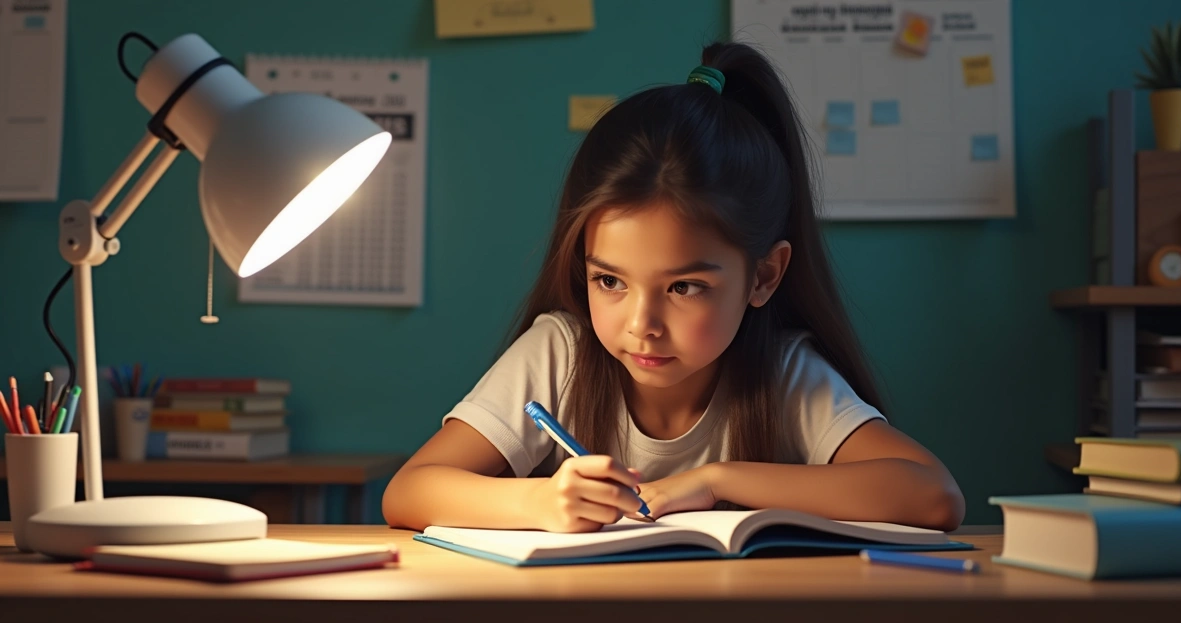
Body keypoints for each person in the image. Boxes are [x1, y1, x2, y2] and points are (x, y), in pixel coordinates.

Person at [382, 41, 965, 534]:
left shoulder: (784, 372)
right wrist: (538, 501)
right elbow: (409, 492)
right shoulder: (560, 354)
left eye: (684, 288)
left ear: (764, 276)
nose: (642, 324)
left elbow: (933, 496)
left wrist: (715, 481)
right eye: (609, 280)